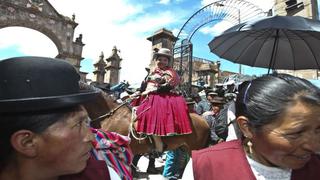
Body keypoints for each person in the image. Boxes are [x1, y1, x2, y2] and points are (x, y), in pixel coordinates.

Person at [0, 56, 130, 180]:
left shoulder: (104, 176)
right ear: (27, 142)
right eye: (78, 124)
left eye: (86, 122)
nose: (91, 137)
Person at [182, 73, 320, 180]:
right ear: (247, 127)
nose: (313, 146)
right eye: (295, 133)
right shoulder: (205, 166)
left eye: (318, 130)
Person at [135, 48, 192, 152]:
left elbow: (169, 86)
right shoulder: (153, 71)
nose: (161, 61)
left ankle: (159, 144)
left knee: (150, 112)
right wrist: (139, 92)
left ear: (168, 62)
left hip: (163, 95)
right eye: (159, 59)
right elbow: (144, 85)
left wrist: (152, 90)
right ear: (156, 60)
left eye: (164, 60)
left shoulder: (170, 72)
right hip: (148, 95)